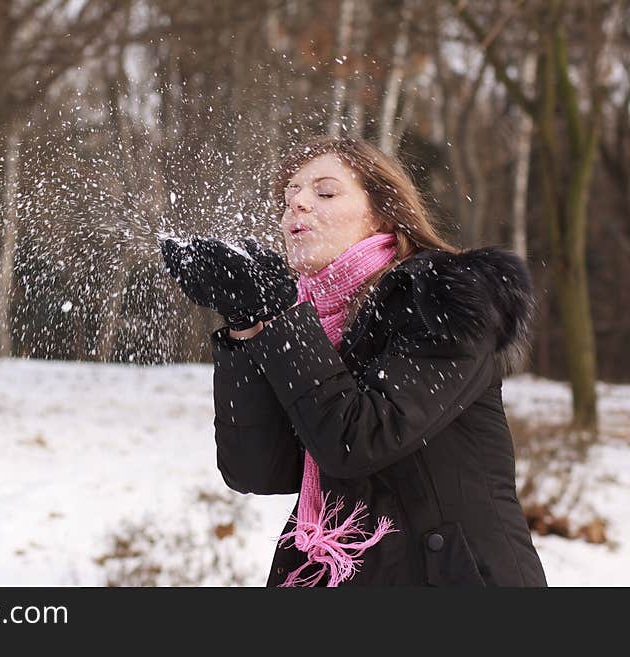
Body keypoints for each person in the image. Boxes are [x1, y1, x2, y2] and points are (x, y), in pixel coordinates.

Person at [160, 135, 547, 587]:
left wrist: (280, 318)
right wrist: (247, 324)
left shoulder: (445, 298)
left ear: (382, 213)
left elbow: (358, 439)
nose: (296, 205)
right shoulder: (309, 321)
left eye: (324, 192)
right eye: (288, 197)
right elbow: (257, 470)